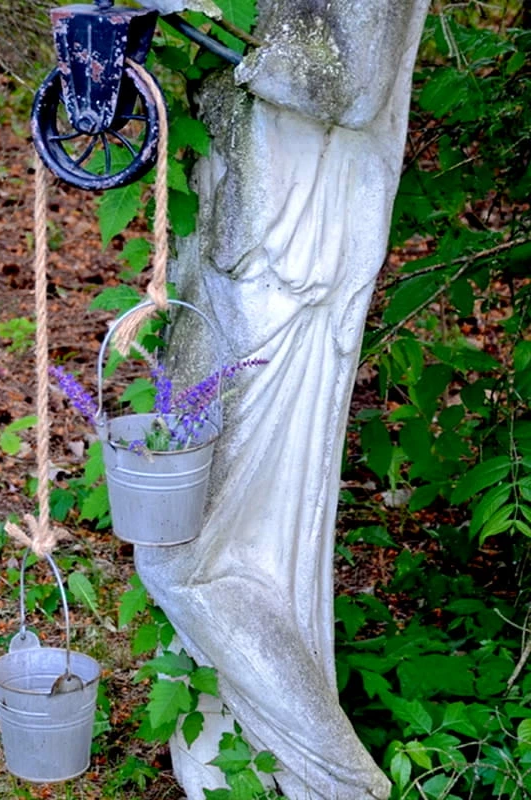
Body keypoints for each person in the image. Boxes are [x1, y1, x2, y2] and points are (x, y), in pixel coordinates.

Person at [134, 2, 430, 797]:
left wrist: (208, 16)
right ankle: (231, 768)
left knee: (185, 555)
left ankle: (342, 785)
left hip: (288, 271)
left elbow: (351, 85)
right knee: (199, 539)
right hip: (231, 249)